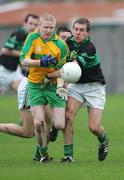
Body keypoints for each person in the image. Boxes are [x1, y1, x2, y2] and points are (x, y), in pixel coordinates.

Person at [20, 13, 68, 163]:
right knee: (38, 123)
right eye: (45, 27)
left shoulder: (60, 44)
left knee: (60, 124)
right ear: (39, 26)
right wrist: (40, 62)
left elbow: (64, 69)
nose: (48, 30)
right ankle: (43, 154)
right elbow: (23, 60)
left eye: (51, 28)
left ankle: (50, 134)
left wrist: (53, 76)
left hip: (53, 86)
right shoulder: (32, 38)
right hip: (35, 86)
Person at [59, 17, 108, 163]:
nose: (78, 33)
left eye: (82, 30)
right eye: (76, 29)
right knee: (68, 117)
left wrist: (60, 79)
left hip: (94, 87)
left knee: (94, 127)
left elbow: (72, 68)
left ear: (88, 33)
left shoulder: (89, 48)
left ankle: (103, 140)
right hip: (77, 87)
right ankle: (68, 156)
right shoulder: (68, 43)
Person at [0, 13, 39, 106]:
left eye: (35, 24)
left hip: (14, 71)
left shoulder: (32, 38)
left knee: (25, 94)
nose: (33, 26)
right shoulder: (19, 33)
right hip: (2, 70)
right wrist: (23, 55)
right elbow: (4, 50)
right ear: (24, 23)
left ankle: (24, 120)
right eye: (30, 23)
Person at [49, 25, 72, 142]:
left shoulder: (72, 54)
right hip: (43, 86)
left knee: (64, 119)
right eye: (63, 37)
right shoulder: (49, 51)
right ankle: (40, 153)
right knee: (34, 127)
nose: (66, 41)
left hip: (61, 87)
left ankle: (68, 155)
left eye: (69, 38)